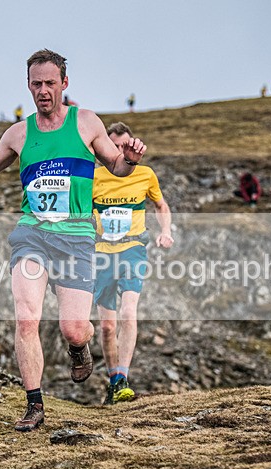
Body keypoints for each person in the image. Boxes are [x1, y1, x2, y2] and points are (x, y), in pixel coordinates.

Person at [0, 49, 146, 431]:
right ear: (28, 85)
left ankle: (79, 347)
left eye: (50, 83)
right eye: (36, 84)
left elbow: (117, 167)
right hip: (32, 235)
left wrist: (132, 159)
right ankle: (34, 404)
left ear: (64, 84)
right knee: (26, 317)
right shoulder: (18, 134)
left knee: (74, 328)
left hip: (75, 239)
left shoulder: (87, 123)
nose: (43, 91)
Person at [92, 122, 172, 405]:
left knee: (128, 312)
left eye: (124, 146)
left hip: (133, 251)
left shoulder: (145, 174)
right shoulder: (94, 176)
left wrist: (165, 231)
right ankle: (113, 379)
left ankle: (122, 377)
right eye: (113, 147)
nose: (119, 152)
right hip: (101, 254)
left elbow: (161, 206)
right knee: (106, 327)